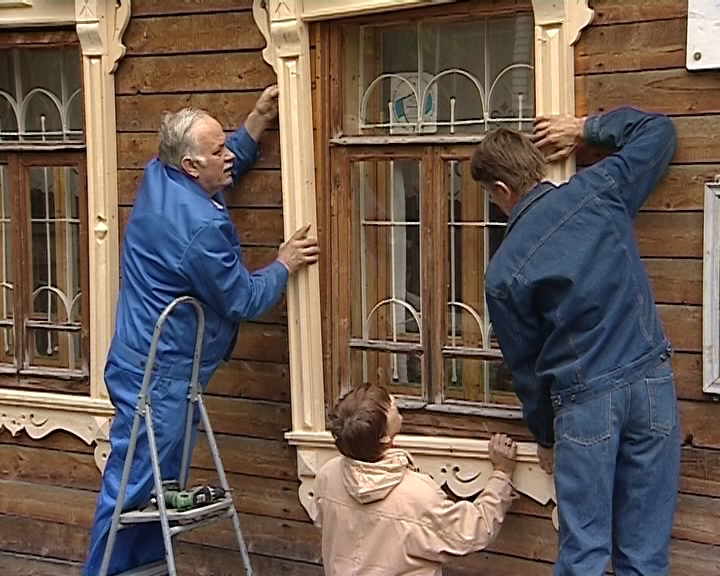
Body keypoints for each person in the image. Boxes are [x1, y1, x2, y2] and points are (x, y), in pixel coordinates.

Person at [84, 85, 320, 575]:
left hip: (143, 359)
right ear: (191, 166)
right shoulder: (198, 229)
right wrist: (283, 263)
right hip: (161, 372)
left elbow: (220, 170)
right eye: (218, 151)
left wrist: (254, 123)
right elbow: (242, 299)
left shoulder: (162, 173)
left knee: (156, 491)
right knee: (134, 489)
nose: (227, 155)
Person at [470, 107, 681, 576]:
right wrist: (585, 128)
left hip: (586, 407)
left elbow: (527, 370)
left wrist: (545, 436)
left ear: (501, 191)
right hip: (652, 386)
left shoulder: (504, 272)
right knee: (644, 555)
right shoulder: (601, 190)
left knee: (583, 553)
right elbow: (659, 131)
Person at [310, 383, 517, 576]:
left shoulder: (328, 476)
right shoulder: (417, 495)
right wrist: (501, 475)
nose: (392, 400)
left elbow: (322, 521)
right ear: (383, 438)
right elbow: (472, 530)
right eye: (387, 405)